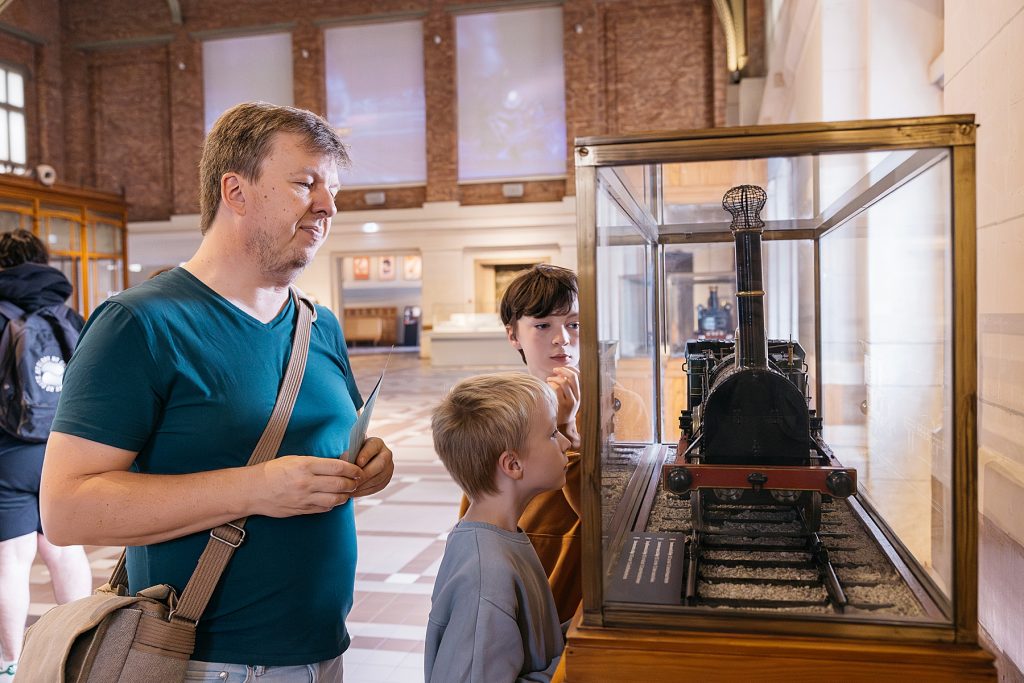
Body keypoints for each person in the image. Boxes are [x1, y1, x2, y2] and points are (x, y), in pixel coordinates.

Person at [40, 102, 395, 680]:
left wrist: (366, 461)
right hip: (210, 662)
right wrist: (252, 489)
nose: (327, 207)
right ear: (236, 190)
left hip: (323, 648)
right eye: (306, 183)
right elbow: (66, 510)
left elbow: (322, 438)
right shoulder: (140, 324)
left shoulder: (317, 323)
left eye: (332, 191)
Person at [460, 264, 583, 624]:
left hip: (584, 599)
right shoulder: (499, 415)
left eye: (574, 323)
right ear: (513, 335)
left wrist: (570, 430)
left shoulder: (620, 406)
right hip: (515, 596)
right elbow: (476, 516)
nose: (562, 338)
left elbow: (614, 516)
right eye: (543, 325)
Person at [427, 373, 569, 682]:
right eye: (553, 434)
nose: (566, 443)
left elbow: (533, 648)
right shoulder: (486, 573)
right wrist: (572, 667)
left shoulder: (501, 537)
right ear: (513, 465)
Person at [0, 230, 92, 679]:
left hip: (8, 451)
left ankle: (12, 663)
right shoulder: (68, 314)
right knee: (65, 549)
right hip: (62, 447)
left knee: (12, 560)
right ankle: (78, 653)